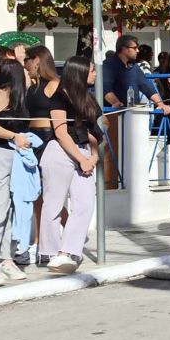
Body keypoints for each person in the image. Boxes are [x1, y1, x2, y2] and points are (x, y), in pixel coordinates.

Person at [39, 56, 102, 274]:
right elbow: (61, 133)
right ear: (81, 72)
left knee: (85, 203)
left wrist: (93, 156)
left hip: (83, 151)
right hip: (60, 152)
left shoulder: (88, 99)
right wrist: (82, 159)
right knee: (54, 204)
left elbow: (94, 132)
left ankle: (69, 251)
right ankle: (50, 252)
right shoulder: (59, 97)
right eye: (92, 70)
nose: (94, 74)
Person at [101, 34, 170, 189]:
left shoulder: (134, 67)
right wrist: (115, 102)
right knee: (111, 157)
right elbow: (106, 88)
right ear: (124, 50)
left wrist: (160, 104)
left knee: (132, 155)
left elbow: (146, 86)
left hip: (131, 117)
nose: (137, 51)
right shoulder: (108, 66)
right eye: (134, 48)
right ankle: (110, 188)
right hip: (112, 116)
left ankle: (133, 186)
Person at [17, 46, 59, 267]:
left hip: (49, 138)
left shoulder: (54, 85)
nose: (25, 66)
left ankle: (65, 236)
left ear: (37, 60)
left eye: (27, 61)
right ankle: (39, 240)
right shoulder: (31, 86)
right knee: (38, 195)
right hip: (31, 140)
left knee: (53, 194)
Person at [0, 60, 30, 285]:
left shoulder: (18, 97)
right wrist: (14, 136)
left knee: (7, 211)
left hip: (12, 157)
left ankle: (4, 259)